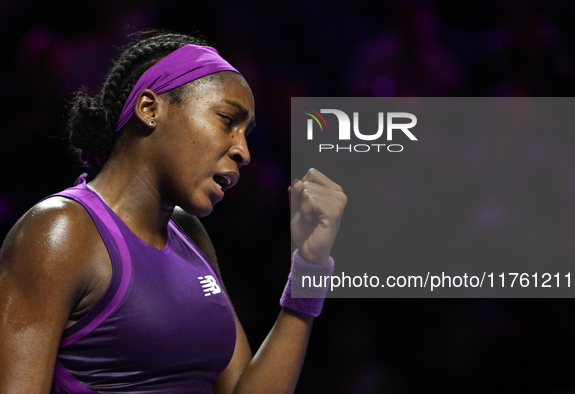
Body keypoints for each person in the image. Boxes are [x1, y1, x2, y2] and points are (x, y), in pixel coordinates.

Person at [0, 32, 347, 393]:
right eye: (228, 120)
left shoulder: (190, 233)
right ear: (149, 109)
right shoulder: (59, 231)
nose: (244, 151)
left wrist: (311, 267)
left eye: (246, 133)